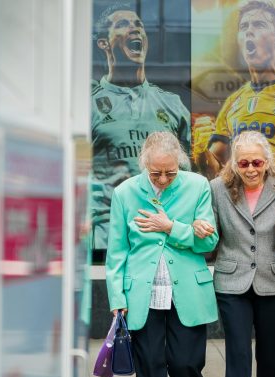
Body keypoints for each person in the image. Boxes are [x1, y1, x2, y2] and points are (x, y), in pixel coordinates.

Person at [199, 131, 275, 377]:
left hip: (274, 281)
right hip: (232, 282)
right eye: (243, 163)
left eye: (257, 163)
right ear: (234, 163)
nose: (251, 169)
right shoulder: (217, 188)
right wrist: (201, 230)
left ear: (267, 161)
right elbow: (210, 242)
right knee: (238, 356)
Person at [106, 132, 218, 377]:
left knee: (185, 364)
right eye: (156, 173)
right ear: (144, 164)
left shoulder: (198, 186)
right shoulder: (125, 193)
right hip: (141, 292)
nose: (164, 179)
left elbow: (209, 243)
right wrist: (116, 297)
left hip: (188, 289)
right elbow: (116, 252)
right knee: (150, 366)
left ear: (179, 162)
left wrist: (171, 227)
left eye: (171, 172)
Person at [91, 3, 191, 254]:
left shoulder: (172, 104)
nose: (135, 29)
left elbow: (189, 175)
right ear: (104, 43)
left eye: (139, 25)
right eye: (123, 24)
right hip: (107, 233)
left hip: (164, 232)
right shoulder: (88, 106)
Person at [193, 0, 275, 179]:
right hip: (240, 202)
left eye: (259, 25)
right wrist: (201, 152)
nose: (249, 31)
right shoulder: (233, 101)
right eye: (244, 27)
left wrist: (271, 175)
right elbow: (215, 172)